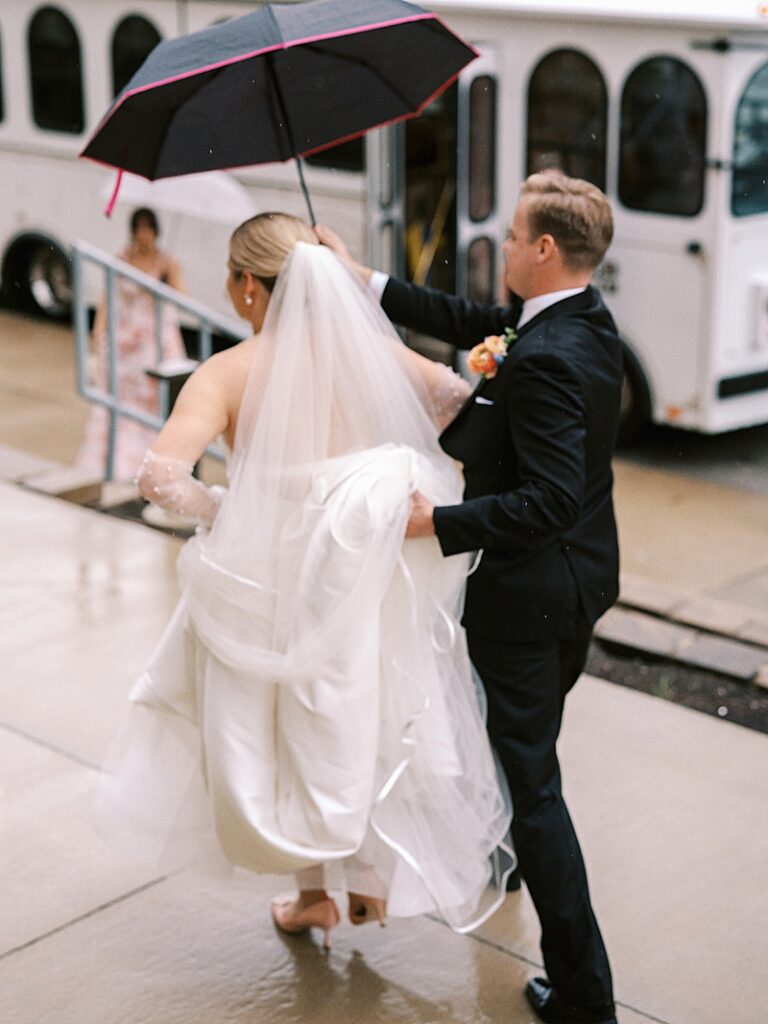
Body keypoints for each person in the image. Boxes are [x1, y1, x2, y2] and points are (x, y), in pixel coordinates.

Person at [94, 212, 512, 951]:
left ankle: (312, 894)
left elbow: (159, 476)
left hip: (268, 573)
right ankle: (371, 885)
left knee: (281, 726)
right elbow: (457, 400)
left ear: (250, 287)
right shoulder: (374, 355)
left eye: (231, 275)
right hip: (359, 567)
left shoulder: (225, 371)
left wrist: (221, 505)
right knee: (368, 705)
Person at [318, 171, 622, 1024]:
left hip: (528, 600)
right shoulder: (580, 323)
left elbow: (553, 497)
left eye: (516, 234)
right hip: (581, 582)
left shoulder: (548, 358)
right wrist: (360, 280)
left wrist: (438, 523)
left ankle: (583, 993)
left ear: (547, 249)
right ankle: (512, 860)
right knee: (528, 755)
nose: (505, 245)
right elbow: (463, 319)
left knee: (535, 790)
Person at [75, 207, 187, 482]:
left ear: (156, 232)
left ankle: (148, 462)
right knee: (120, 396)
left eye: (148, 229)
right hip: (125, 339)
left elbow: (182, 298)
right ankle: (116, 462)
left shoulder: (167, 262)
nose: (144, 235)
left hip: (153, 338)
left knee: (150, 400)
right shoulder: (122, 257)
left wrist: (161, 285)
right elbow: (108, 295)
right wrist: (99, 327)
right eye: (139, 228)